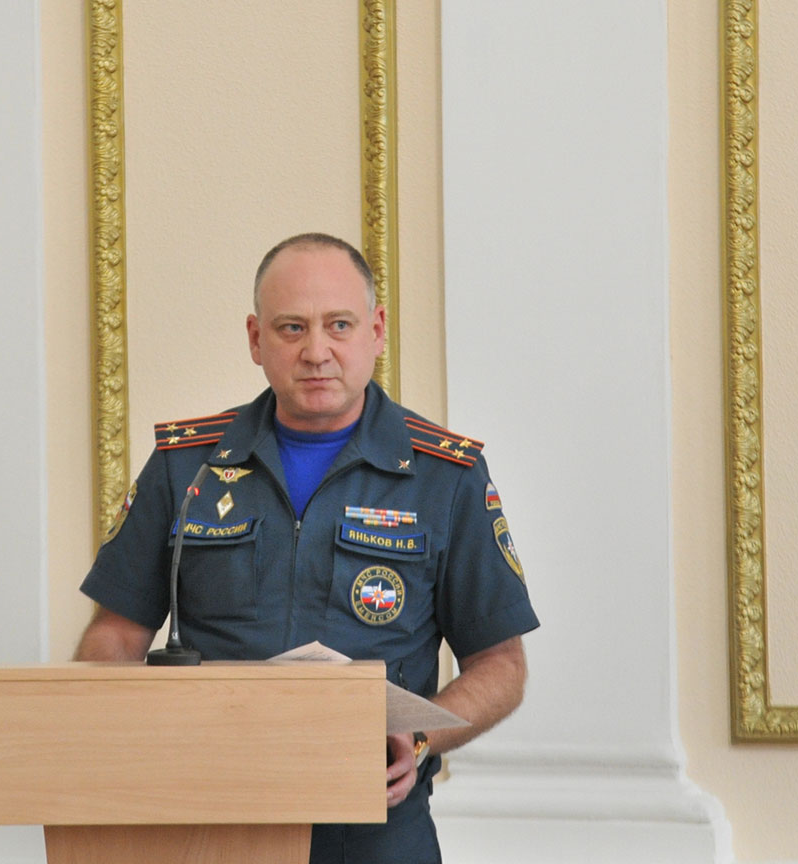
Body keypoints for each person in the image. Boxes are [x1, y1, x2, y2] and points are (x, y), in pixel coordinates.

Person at [75, 232, 537, 863]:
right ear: (255, 339)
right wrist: (128, 737)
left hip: (373, 828)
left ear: (376, 330)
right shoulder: (187, 467)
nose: (316, 352)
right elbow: (114, 634)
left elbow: (501, 665)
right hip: (210, 818)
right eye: (291, 328)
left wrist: (418, 736)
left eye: (338, 325)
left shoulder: (445, 476)